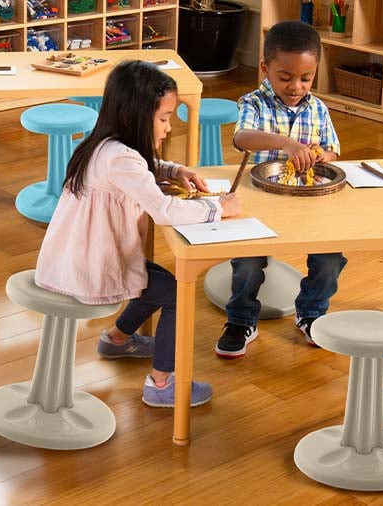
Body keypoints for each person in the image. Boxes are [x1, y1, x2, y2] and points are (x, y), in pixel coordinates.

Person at [35, 60, 243, 407]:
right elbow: (164, 211)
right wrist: (219, 208)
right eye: (163, 118)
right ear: (135, 115)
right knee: (175, 293)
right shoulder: (122, 160)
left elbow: (143, 168)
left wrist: (175, 169)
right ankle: (161, 385)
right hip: (93, 267)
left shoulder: (104, 145)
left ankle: (117, 339)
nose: (168, 127)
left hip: (80, 258)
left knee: (153, 280)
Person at [216, 20, 345, 359]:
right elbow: (242, 137)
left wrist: (320, 154)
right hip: (261, 199)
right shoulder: (253, 103)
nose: (296, 86)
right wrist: (286, 143)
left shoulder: (318, 108)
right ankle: (241, 319)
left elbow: (333, 151)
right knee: (246, 264)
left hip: (309, 200)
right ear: (265, 69)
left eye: (306, 78)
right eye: (285, 77)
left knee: (331, 258)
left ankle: (312, 312)